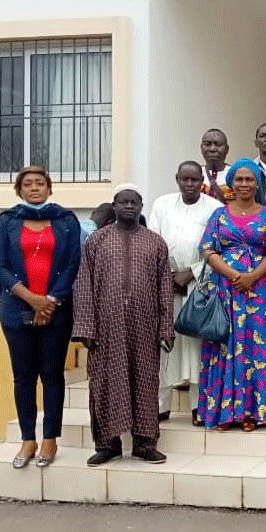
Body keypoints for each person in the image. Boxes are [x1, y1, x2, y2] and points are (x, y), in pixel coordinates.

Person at [73, 184, 174, 467]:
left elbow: (164, 287)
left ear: (142, 207)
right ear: (114, 206)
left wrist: (166, 326)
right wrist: (85, 326)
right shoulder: (96, 242)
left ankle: (145, 443)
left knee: (145, 380)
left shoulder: (156, 243)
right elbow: (83, 286)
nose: (129, 207)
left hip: (145, 326)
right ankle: (107, 444)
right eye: (123, 202)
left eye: (134, 202)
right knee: (105, 383)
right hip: (106, 327)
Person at [0, 166, 81, 469]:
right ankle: (28, 438)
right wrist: (32, 300)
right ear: (19, 190)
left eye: (39, 183)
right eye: (27, 184)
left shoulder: (66, 221)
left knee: (52, 375)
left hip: (56, 312)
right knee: (24, 377)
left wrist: (50, 302)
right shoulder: (8, 221)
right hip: (16, 311)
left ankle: (50, 439)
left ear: (49, 188)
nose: (34, 188)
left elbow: (72, 263)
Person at [198, 159, 266, 431]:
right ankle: (224, 413)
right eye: (239, 179)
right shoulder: (219, 214)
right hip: (225, 289)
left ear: (257, 183)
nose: (244, 184)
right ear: (231, 183)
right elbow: (208, 250)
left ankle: (252, 413)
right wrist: (232, 274)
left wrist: (251, 276)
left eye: (249, 180)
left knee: (255, 348)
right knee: (224, 347)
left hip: (258, 291)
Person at [147, 161, 222, 424]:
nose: (189, 185)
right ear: (176, 179)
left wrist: (191, 272)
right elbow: (152, 241)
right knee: (165, 344)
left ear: (202, 181)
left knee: (197, 346)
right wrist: (167, 277)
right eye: (184, 179)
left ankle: (198, 407)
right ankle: (159, 406)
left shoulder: (215, 208)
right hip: (165, 283)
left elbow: (219, 248)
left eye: (194, 180)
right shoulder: (162, 204)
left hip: (200, 283)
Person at [200, 128, 233, 203]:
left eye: (218, 144)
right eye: (207, 144)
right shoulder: (194, 175)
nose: (212, 149)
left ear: (227, 149)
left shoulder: (235, 175)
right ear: (201, 148)